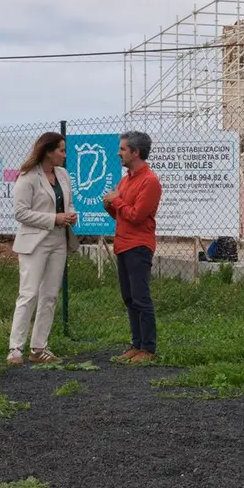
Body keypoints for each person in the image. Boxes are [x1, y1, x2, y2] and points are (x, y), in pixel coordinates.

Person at [8, 132, 79, 365]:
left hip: (59, 240)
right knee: (28, 293)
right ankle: (15, 348)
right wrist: (53, 218)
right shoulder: (28, 177)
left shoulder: (63, 175)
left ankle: (39, 348)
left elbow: (68, 203)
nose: (64, 155)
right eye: (61, 150)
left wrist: (70, 215)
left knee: (50, 295)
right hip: (34, 241)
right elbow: (20, 213)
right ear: (48, 152)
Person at [103, 130, 162, 363]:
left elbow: (137, 216)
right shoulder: (126, 179)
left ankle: (148, 349)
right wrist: (109, 205)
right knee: (128, 297)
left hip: (139, 246)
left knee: (140, 297)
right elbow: (122, 215)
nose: (119, 153)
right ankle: (136, 344)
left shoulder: (150, 181)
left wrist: (116, 200)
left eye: (123, 149)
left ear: (136, 152)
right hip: (123, 244)